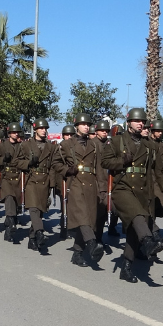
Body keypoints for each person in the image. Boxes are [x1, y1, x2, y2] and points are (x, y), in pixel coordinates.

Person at [101, 108, 163, 282]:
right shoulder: (116, 141)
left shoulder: (149, 144)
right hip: (123, 187)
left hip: (142, 190)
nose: (140, 124)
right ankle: (148, 241)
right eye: (137, 121)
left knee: (133, 229)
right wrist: (122, 161)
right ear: (128, 123)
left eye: (142, 121)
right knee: (137, 216)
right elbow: (104, 162)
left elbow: (156, 168)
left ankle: (127, 266)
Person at [56, 113, 107, 267]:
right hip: (75, 183)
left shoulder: (95, 145)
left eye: (88, 124)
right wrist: (67, 170)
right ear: (76, 125)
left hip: (91, 185)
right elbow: (56, 163)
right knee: (82, 216)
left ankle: (77, 254)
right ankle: (92, 244)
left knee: (90, 219)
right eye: (83, 124)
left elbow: (99, 168)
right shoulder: (66, 144)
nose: (86, 126)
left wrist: (102, 189)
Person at [16, 119, 58, 251]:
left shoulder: (51, 146)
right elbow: (17, 162)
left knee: (40, 211)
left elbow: (52, 166)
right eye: (41, 128)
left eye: (45, 128)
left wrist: (52, 183)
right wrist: (28, 163)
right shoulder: (26, 145)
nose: (44, 130)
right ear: (35, 130)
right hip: (32, 179)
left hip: (45, 181)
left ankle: (32, 238)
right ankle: (40, 232)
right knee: (34, 208)